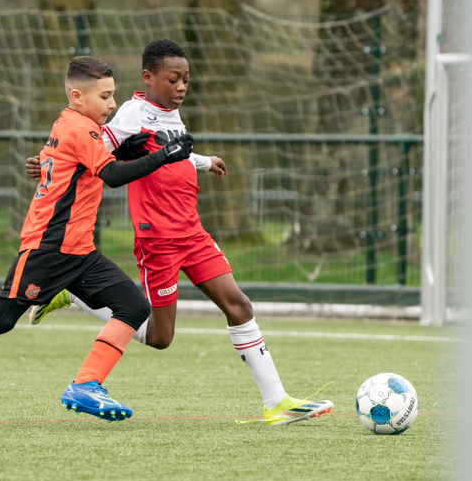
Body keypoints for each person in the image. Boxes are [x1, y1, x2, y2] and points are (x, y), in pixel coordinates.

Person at [25, 39, 333, 426]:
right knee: (160, 337)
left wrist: (206, 161)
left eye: (186, 79)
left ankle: (277, 403)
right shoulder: (132, 113)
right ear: (148, 77)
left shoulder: (170, 112)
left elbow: (173, 150)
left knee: (239, 305)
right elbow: (93, 148)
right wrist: (48, 160)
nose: (182, 87)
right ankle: (75, 295)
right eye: (174, 80)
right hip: (158, 238)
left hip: (192, 231)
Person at [0, 56, 194, 428]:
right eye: (105, 97)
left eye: (113, 95)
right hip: (48, 248)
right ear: (77, 96)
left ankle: (86, 384)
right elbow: (111, 175)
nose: (113, 104)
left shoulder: (73, 124)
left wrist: (124, 151)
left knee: (133, 306)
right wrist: (165, 155)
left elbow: (82, 166)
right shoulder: (80, 128)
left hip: (79, 251)